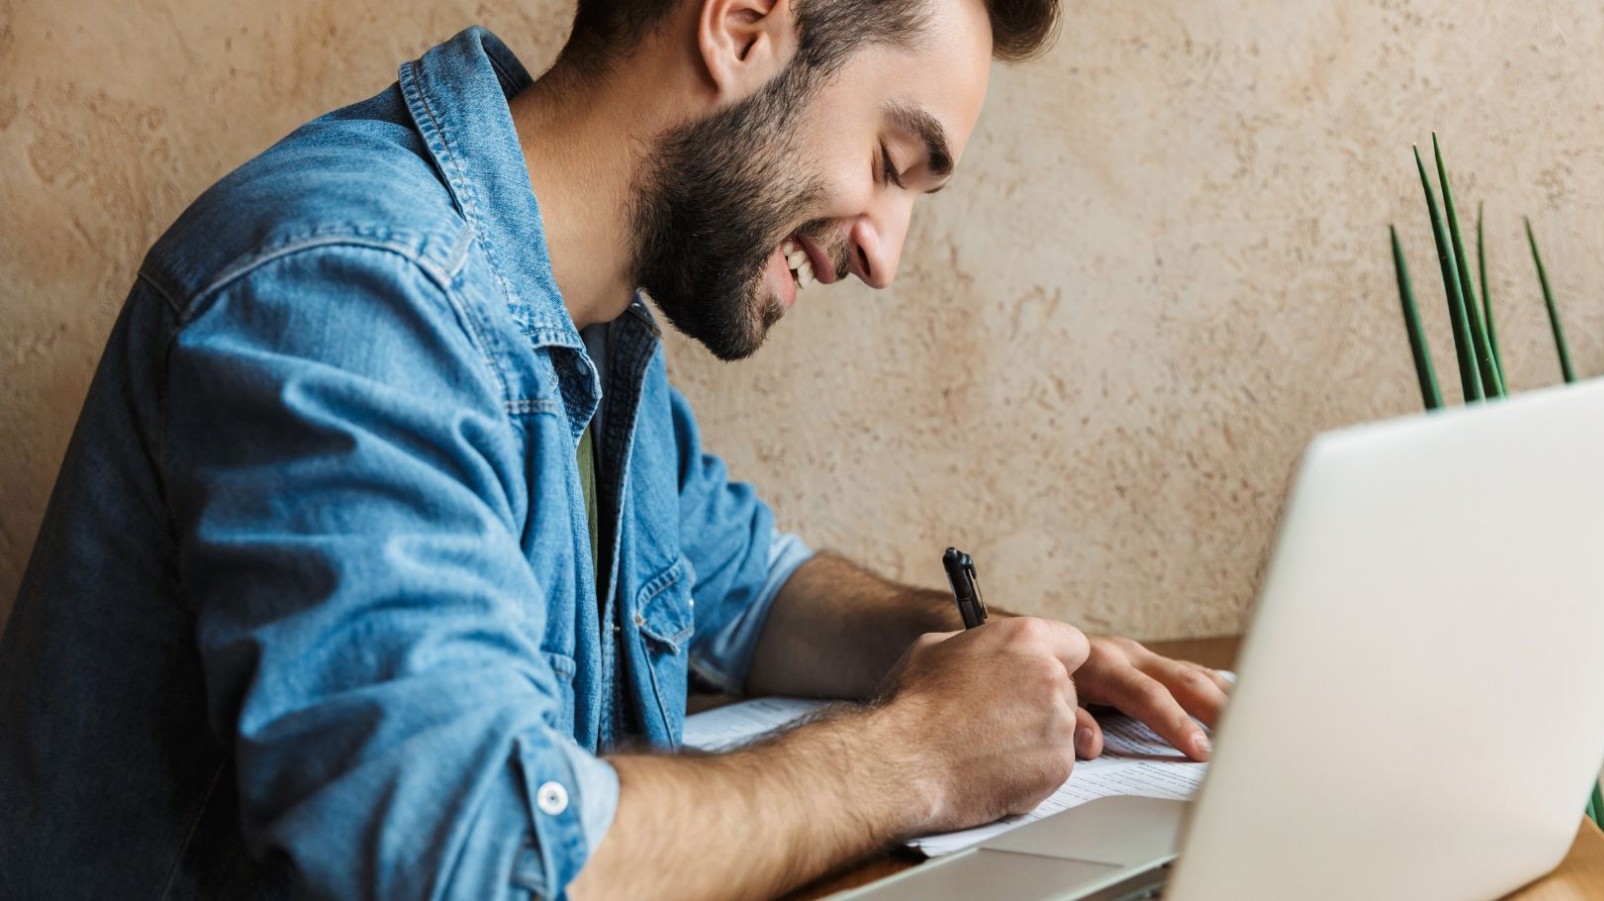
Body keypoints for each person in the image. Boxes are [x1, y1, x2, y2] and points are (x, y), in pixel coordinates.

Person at [0, 0, 1232, 897]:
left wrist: (991, 649)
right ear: (742, 24)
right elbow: (463, 857)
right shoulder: (352, 298)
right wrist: (915, 755)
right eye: (890, 163)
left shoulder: (584, 320)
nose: (883, 252)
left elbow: (753, 588)